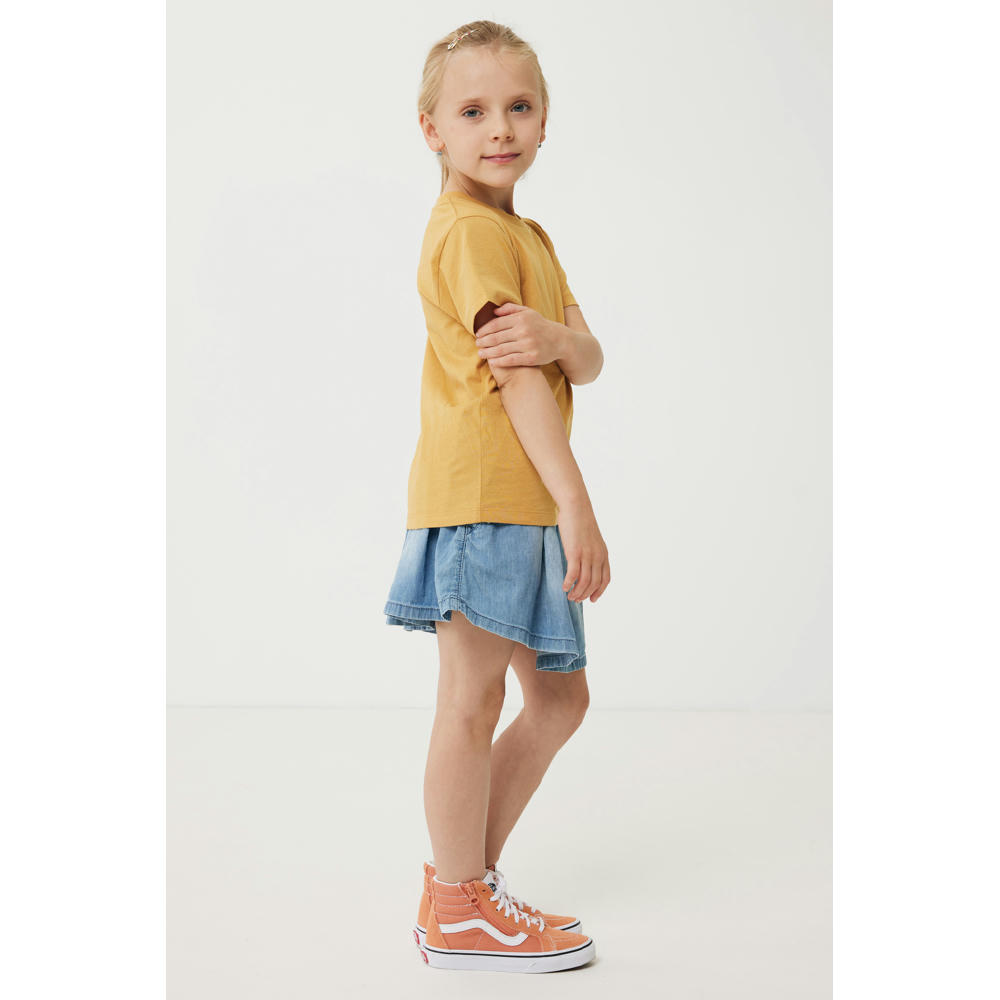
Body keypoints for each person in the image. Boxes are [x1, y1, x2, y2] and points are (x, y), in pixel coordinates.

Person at [383, 20, 610, 974]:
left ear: (545, 120)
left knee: (557, 699)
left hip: (517, 498)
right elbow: (517, 378)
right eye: (472, 110)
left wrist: (560, 340)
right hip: (489, 494)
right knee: (472, 699)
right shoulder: (473, 230)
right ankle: (461, 904)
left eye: (519, 106)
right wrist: (578, 505)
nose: (500, 127)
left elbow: (585, 357)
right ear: (431, 129)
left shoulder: (526, 234)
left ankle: (462, 891)